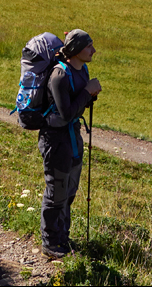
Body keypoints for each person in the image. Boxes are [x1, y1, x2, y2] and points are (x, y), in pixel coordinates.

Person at [39, 28, 102, 260]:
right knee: (56, 191)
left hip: (73, 137)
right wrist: (87, 92)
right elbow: (65, 113)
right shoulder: (59, 76)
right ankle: (50, 243)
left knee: (70, 190)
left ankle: (62, 236)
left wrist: (88, 94)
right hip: (55, 140)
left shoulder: (82, 70)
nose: (93, 50)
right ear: (76, 50)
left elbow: (77, 105)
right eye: (89, 46)